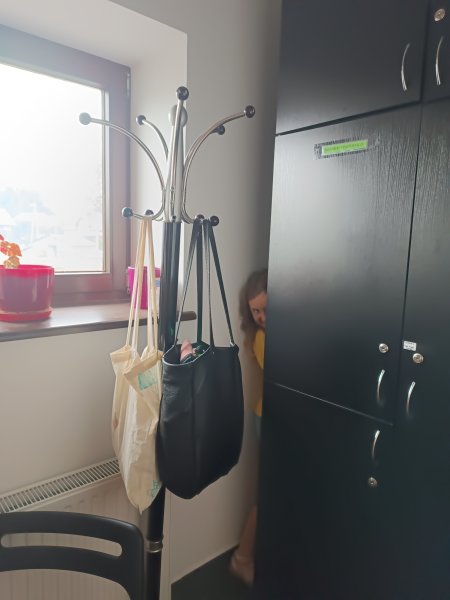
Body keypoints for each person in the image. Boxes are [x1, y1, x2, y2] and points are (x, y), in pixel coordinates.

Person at [229, 268, 267, 586]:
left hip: (268, 416)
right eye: (256, 311)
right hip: (267, 418)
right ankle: (242, 557)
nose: (262, 317)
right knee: (267, 494)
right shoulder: (262, 339)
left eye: (267, 309)